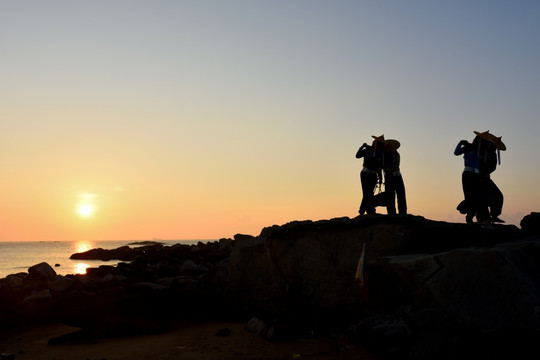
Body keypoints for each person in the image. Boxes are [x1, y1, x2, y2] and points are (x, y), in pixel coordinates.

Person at [454, 132, 490, 225]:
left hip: (477, 175)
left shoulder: (483, 151)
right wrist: (460, 143)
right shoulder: (469, 147)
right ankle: (468, 217)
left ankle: (472, 216)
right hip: (468, 174)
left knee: (478, 197)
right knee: (470, 196)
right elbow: (456, 152)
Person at [479, 132, 506, 223]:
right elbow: (489, 166)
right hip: (482, 178)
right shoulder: (484, 151)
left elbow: (491, 167)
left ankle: (492, 216)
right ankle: (487, 217)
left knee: (496, 196)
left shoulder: (488, 152)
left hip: (485, 177)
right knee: (493, 197)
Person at [356, 135, 385, 215]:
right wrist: (362, 147)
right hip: (366, 174)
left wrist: (380, 178)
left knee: (368, 193)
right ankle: (366, 211)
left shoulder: (378, 153)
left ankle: (366, 210)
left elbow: (379, 168)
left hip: (370, 175)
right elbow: (357, 156)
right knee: (367, 193)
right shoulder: (370, 150)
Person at [383, 139, 407, 215]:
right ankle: (391, 212)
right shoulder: (384, 155)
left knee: (400, 194)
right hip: (390, 177)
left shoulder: (396, 154)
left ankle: (402, 212)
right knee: (390, 196)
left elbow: (396, 165)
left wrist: (387, 169)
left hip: (396, 176)